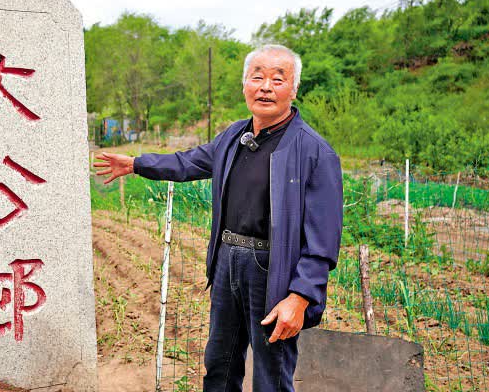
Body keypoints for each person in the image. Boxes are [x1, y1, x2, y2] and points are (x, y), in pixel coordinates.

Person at [94, 44, 343, 391]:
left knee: (271, 375)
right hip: (227, 263)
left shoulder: (314, 151)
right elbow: (187, 162)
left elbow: (323, 241)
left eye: (278, 79)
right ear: (244, 85)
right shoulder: (234, 137)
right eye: (257, 77)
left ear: (294, 89)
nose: (266, 87)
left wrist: (300, 296)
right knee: (219, 367)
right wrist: (137, 164)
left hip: (273, 270)